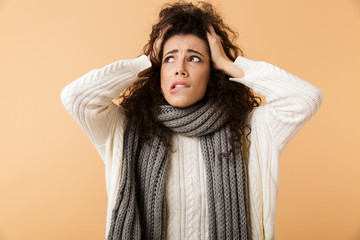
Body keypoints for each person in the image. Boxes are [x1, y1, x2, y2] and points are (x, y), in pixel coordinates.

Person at [60, 1, 323, 240]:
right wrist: (143, 61)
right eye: (169, 58)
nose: (179, 68)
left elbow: (305, 99)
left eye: (195, 58)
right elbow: (77, 98)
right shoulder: (125, 128)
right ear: (157, 70)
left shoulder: (248, 130)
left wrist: (229, 64)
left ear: (213, 72)